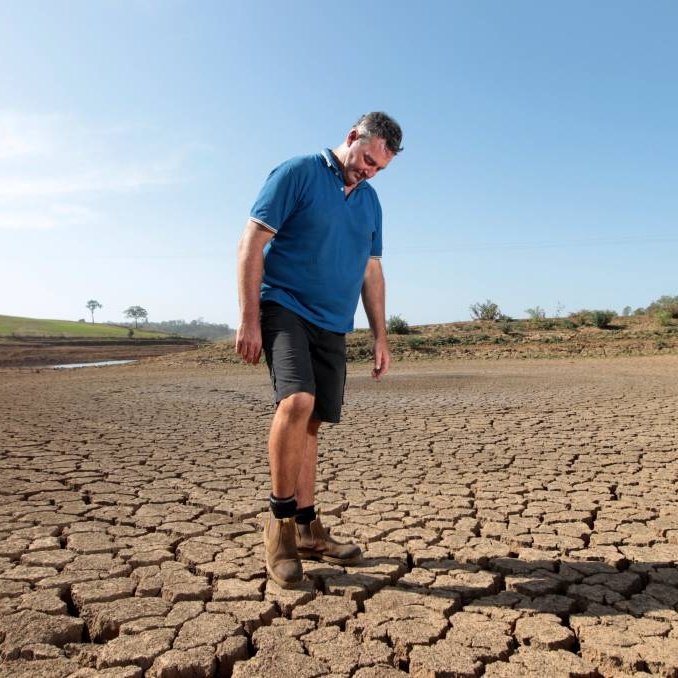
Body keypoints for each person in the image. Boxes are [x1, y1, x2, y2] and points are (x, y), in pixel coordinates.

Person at [236, 112, 403, 588]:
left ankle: (309, 528)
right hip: (284, 305)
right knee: (297, 401)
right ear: (352, 137)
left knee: (313, 421)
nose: (368, 171)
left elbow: (372, 272)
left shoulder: (370, 202)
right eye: (366, 159)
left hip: (333, 321)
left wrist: (380, 336)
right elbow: (252, 241)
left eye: (379, 169)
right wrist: (249, 317)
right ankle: (280, 527)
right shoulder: (298, 172)